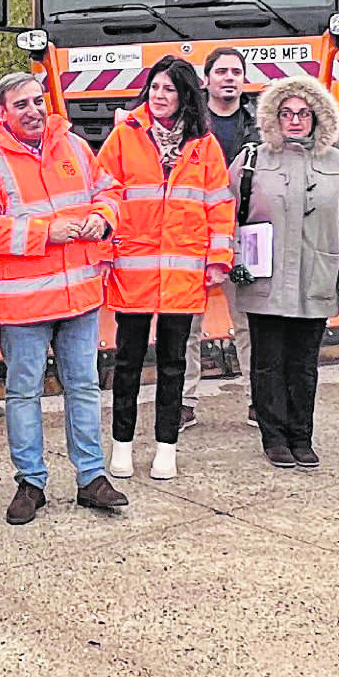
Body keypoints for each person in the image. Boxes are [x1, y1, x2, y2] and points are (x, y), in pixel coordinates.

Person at [0, 72, 129, 524]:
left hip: (80, 298)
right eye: (21, 105)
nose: (34, 111)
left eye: (38, 101)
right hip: (25, 305)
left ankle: (91, 479)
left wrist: (103, 218)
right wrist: (44, 232)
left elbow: (109, 191)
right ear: (3, 112)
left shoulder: (74, 146)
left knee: (84, 387)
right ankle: (31, 483)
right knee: (23, 393)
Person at [94, 56, 233, 480]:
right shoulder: (124, 136)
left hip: (183, 275)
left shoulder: (204, 145)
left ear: (185, 95)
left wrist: (219, 258)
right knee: (127, 363)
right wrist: (104, 252)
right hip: (133, 271)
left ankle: (166, 449)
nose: (159, 95)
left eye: (168, 89)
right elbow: (103, 195)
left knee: (174, 364)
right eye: (154, 87)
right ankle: (121, 446)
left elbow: (219, 206)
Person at [229, 77, 339, 468]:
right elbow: (226, 215)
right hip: (264, 278)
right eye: (286, 113)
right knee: (267, 362)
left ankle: (301, 436)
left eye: (303, 113)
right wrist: (234, 259)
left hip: (315, 277)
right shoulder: (252, 160)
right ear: (273, 117)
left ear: (317, 118)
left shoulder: (336, 162)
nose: (294, 120)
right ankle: (273, 438)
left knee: (304, 364)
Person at [191, 47, 258, 424]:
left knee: (248, 322)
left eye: (235, 71)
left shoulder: (260, 126)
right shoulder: (190, 125)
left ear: (244, 79)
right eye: (221, 72)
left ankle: (257, 399)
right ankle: (184, 401)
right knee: (186, 325)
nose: (229, 77)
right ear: (206, 80)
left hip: (244, 236)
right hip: (195, 234)